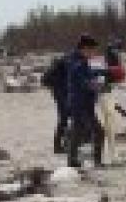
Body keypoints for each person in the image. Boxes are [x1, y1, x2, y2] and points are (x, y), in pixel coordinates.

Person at [64, 35, 106, 168]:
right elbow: (84, 81)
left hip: (83, 103)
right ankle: (93, 161)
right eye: (93, 50)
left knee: (80, 131)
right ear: (85, 48)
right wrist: (97, 85)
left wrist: (101, 74)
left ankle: (74, 160)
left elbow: (87, 76)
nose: (94, 53)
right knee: (94, 131)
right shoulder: (78, 63)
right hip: (80, 103)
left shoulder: (79, 60)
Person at [42, 51, 71, 153]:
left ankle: (60, 144)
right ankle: (60, 145)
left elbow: (45, 81)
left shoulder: (59, 66)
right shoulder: (64, 66)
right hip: (63, 96)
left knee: (64, 120)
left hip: (60, 95)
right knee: (65, 120)